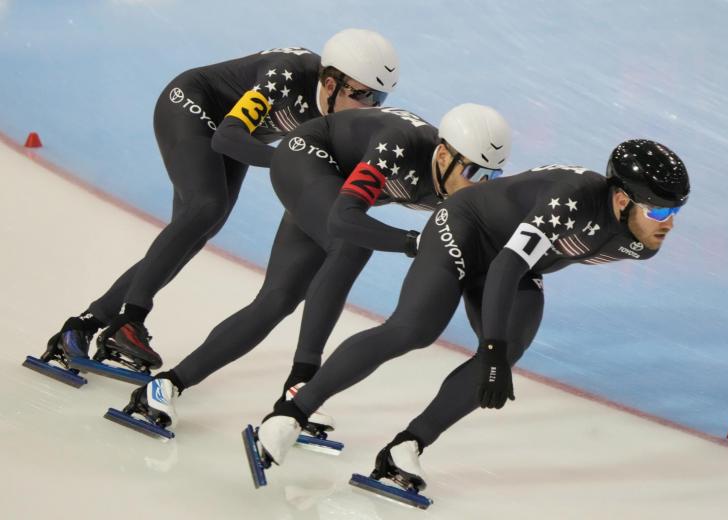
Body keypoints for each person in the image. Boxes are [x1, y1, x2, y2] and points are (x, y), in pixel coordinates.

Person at [254, 139, 691, 496]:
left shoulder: (643, 243)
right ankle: (289, 414)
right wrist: (492, 347)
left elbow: (520, 265)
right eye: (659, 211)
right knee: (414, 329)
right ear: (620, 199)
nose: (668, 223)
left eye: (675, 212)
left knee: (510, 349)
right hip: (466, 228)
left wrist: (500, 351)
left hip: (515, 261)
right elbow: (504, 266)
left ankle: (405, 447)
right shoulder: (572, 200)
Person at [112, 103, 513, 437]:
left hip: (333, 189)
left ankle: (167, 384)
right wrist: (409, 242)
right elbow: (343, 221)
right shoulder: (399, 146)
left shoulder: (459, 185)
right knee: (354, 241)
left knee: (276, 301)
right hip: (305, 159)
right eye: (475, 172)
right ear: (443, 155)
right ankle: (302, 378)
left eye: (492, 176)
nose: (481, 184)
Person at [34, 29, 400, 378]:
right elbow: (227, 138)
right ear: (331, 83)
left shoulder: (341, 112)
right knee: (205, 207)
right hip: (192, 108)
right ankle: (130, 320)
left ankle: (84, 325)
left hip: (241, 133)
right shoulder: (286, 75)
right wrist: (289, 161)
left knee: (197, 230)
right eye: (364, 94)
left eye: (379, 99)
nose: (369, 106)